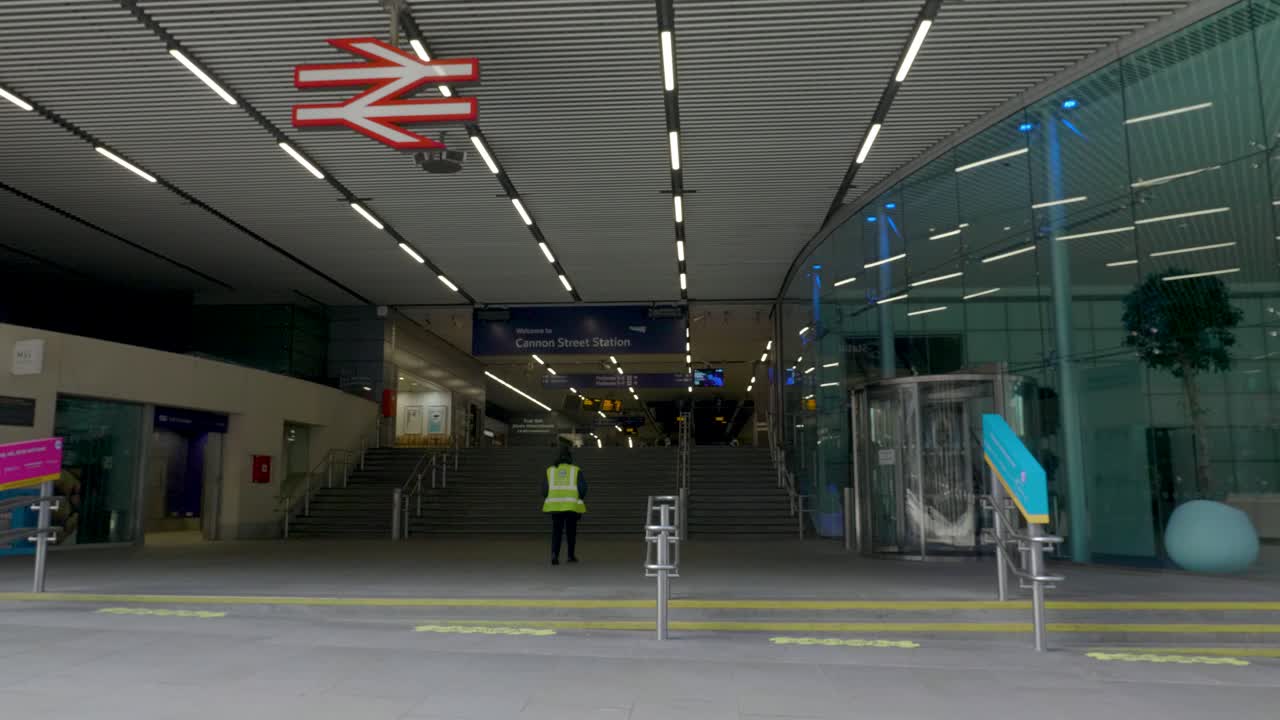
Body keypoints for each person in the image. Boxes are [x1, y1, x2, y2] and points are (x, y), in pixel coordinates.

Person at [542, 446, 587, 565]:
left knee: (556, 531)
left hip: (555, 506)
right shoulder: (575, 470)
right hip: (571, 506)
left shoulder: (550, 470)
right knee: (571, 531)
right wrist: (579, 497)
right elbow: (583, 488)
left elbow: (544, 490)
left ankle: (554, 555)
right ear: (570, 458)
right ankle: (570, 556)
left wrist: (551, 496)